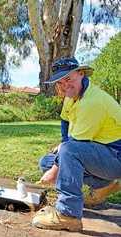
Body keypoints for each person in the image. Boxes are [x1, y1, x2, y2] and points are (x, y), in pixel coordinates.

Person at [32, 57, 121, 232]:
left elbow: (74, 146)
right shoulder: (72, 96)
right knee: (46, 162)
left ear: (80, 73)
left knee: (68, 154)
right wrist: (61, 147)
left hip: (116, 157)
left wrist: (55, 171)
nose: (64, 85)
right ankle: (103, 186)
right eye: (60, 82)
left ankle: (68, 215)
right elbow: (65, 121)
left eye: (68, 79)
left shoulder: (92, 101)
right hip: (102, 153)